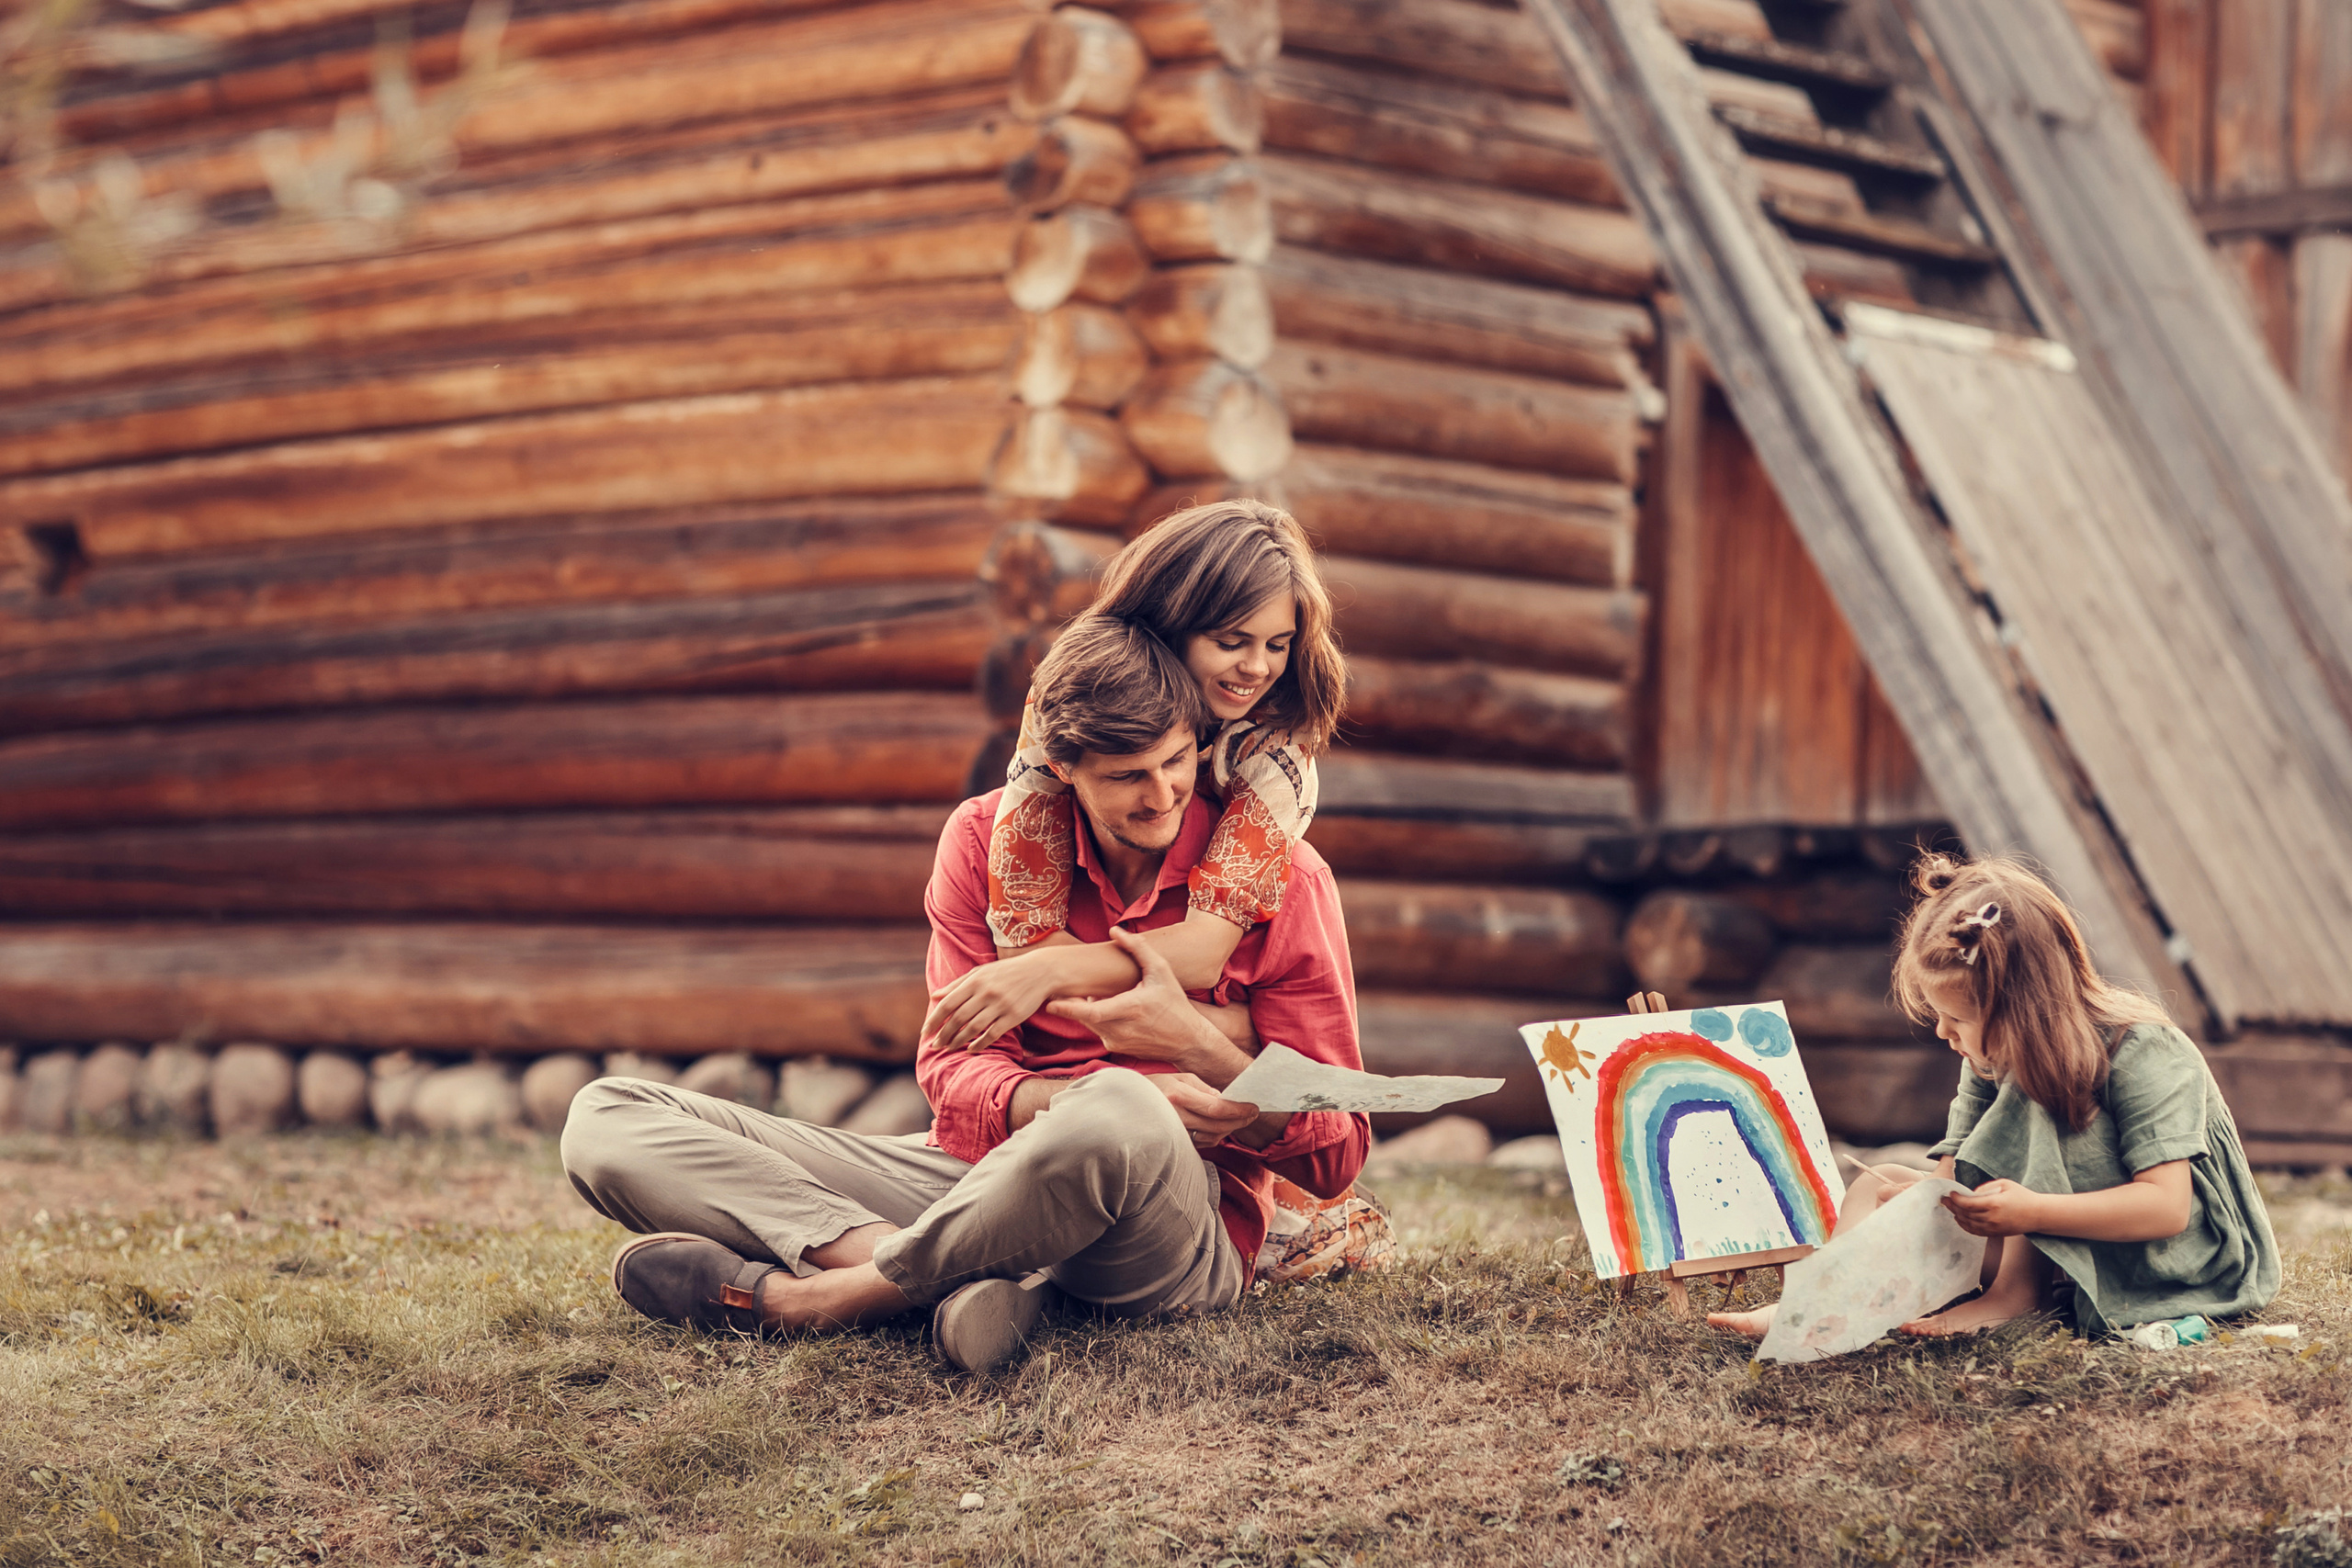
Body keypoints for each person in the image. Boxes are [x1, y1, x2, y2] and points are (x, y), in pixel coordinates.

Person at [561, 615, 1372, 1372]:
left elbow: (1339, 1150)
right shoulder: (985, 842)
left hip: (1171, 1223)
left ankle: (827, 1298)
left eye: (1176, 763)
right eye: (1126, 775)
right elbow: (952, 1074)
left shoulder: (1288, 880)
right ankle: (962, 1279)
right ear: (1063, 768)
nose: (1160, 795)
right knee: (606, 1118)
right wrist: (1058, 1100)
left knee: (1123, 1110)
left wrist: (1194, 1046)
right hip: (979, 1173)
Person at [1710, 852, 2279, 1340]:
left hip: (2171, 1261)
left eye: (1957, 1018)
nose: (1943, 1033)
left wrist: (2030, 1211)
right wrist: (1918, 1213)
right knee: (1881, 1183)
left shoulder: (2145, 1050)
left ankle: (2016, 1297)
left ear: (2021, 1010)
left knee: (2039, 1109)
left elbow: (2165, 1208)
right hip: (2049, 1230)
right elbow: (1951, 1173)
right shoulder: (1989, 1057)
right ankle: (1813, 1304)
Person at [920, 499, 1345, 1058]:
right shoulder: (1065, 713)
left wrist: (1053, 972)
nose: (1258, 669)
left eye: (1278, 645)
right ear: (1167, 627)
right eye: (1231, 641)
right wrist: (1227, 1028)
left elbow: (1201, 950)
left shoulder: (1277, 753)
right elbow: (1022, 943)